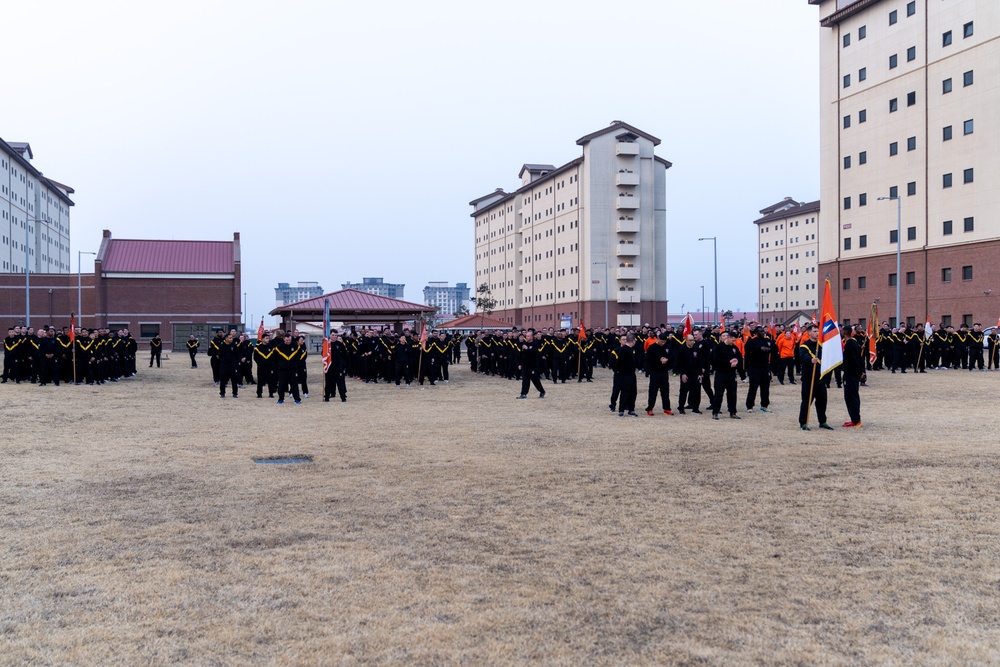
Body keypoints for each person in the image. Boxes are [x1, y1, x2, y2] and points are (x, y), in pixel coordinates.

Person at [798, 324, 834, 431]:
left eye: (818, 331)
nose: (817, 333)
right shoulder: (804, 345)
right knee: (807, 401)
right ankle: (803, 423)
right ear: (808, 332)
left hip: (820, 377)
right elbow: (803, 356)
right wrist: (810, 360)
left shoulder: (821, 345)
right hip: (809, 378)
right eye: (814, 331)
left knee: (822, 400)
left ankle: (822, 421)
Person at [711, 331, 742, 420]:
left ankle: (732, 412)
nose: (734, 342)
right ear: (728, 338)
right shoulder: (718, 347)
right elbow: (715, 360)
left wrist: (736, 361)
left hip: (731, 374)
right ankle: (715, 412)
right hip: (721, 374)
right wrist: (728, 362)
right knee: (719, 394)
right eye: (733, 340)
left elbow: (739, 358)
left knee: (732, 394)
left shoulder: (734, 348)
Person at [744, 327, 773, 413]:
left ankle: (764, 405)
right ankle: (750, 406)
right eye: (760, 331)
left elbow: (775, 348)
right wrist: (759, 348)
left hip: (765, 367)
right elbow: (747, 348)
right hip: (755, 367)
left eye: (763, 331)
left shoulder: (767, 340)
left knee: (765, 388)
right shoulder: (753, 340)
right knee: (753, 387)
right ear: (756, 332)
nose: (763, 332)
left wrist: (768, 349)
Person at [644, 332, 673, 415]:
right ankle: (650, 408)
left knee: (665, 391)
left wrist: (667, 360)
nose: (663, 343)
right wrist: (659, 360)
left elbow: (672, 356)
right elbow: (649, 359)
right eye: (662, 341)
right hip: (655, 372)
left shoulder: (667, 347)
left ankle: (667, 408)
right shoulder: (652, 348)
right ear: (658, 339)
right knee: (653, 391)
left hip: (664, 372)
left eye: (664, 342)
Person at [842, 325, 865, 427]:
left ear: (844, 333)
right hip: (854, 373)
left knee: (851, 397)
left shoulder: (850, 344)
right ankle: (855, 418)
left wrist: (860, 372)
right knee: (853, 396)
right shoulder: (854, 342)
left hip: (851, 374)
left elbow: (855, 360)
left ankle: (856, 419)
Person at [611, 333, 639, 416]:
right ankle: (621, 410)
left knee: (633, 392)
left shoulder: (631, 349)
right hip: (624, 375)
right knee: (625, 392)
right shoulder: (624, 349)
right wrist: (619, 372)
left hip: (631, 374)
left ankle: (631, 409)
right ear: (633, 341)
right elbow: (619, 362)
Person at [674, 333, 703, 415]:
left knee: (697, 392)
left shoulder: (697, 349)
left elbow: (699, 362)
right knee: (683, 392)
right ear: (686, 340)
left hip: (695, 374)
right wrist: (682, 373)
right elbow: (679, 363)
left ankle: (695, 408)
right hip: (686, 374)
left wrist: (699, 373)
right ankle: (681, 408)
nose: (692, 342)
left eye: (693, 340)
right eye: (690, 340)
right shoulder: (682, 350)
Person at [517, 330, 546, 399]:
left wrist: (527, 349)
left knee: (535, 380)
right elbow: (522, 355)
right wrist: (520, 364)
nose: (526, 337)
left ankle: (542, 391)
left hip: (533, 366)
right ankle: (523, 394)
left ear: (532, 337)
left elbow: (535, 354)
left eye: (528, 336)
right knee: (525, 380)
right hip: (525, 366)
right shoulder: (524, 344)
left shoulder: (535, 344)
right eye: (526, 336)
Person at [324, 331, 348, 402]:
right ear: (330, 335)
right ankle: (327, 397)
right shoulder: (327, 345)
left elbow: (345, 355)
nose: (334, 336)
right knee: (328, 382)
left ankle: (343, 397)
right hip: (329, 366)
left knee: (340, 382)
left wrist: (342, 364)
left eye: (335, 335)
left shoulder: (340, 344)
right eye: (333, 335)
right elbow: (323, 354)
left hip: (338, 366)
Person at [217, 331, 240, 398]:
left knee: (234, 380)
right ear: (226, 339)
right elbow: (219, 355)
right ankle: (222, 393)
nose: (231, 339)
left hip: (232, 365)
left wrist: (236, 363)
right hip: (224, 365)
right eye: (230, 338)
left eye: (232, 338)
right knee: (223, 380)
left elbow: (237, 355)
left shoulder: (234, 346)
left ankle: (235, 393)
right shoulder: (222, 346)